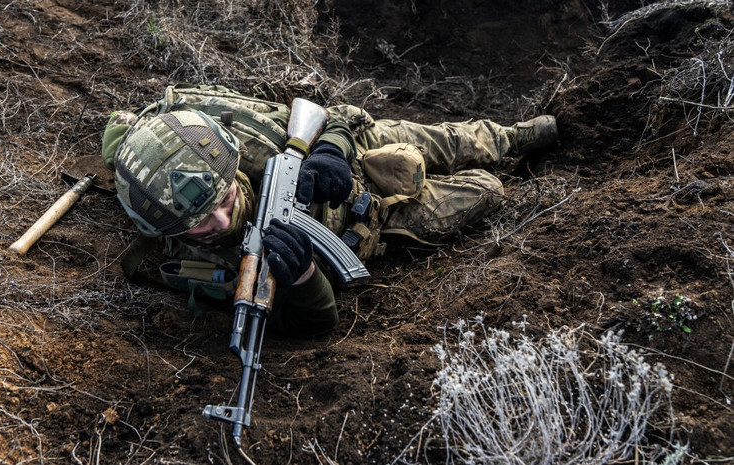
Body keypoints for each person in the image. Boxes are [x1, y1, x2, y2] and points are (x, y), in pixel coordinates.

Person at [101, 84, 557, 338]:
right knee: (487, 191)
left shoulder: (246, 136)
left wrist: (331, 150)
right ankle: (497, 165)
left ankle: (515, 136)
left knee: (454, 142)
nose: (221, 222)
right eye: (198, 223)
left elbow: (327, 114)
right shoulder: (180, 263)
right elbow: (313, 322)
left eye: (224, 201)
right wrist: (301, 278)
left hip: (355, 154)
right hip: (367, 224)